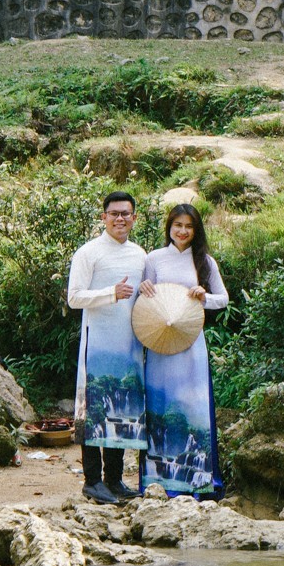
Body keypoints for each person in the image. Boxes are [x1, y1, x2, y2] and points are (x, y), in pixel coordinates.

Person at [137, 203, 228, 497]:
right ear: (169, 227)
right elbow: (142, 296)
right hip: (160, 344)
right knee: (159, 405)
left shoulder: (205, 262)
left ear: (196, 230)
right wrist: (143, 289)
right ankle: (159, 478)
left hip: (191, 344)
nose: (183, 231)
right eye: (178, 225)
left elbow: (223, 299)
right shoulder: (154, 259)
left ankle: (198, 479)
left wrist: (204, 297)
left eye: (189, 226)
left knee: (193, 405)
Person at [66, 190, 148, 504]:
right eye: (113, 213)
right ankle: (92, 480)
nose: (120, 219)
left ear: (134, 218)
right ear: (103, 217)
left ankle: (114, 481)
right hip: (97, 344)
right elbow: (74, 298)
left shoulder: (140, 255)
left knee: (121, 410)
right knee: (94, 410)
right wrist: (111, 293)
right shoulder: (89, 252)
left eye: (125, 213)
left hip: (128, 346)